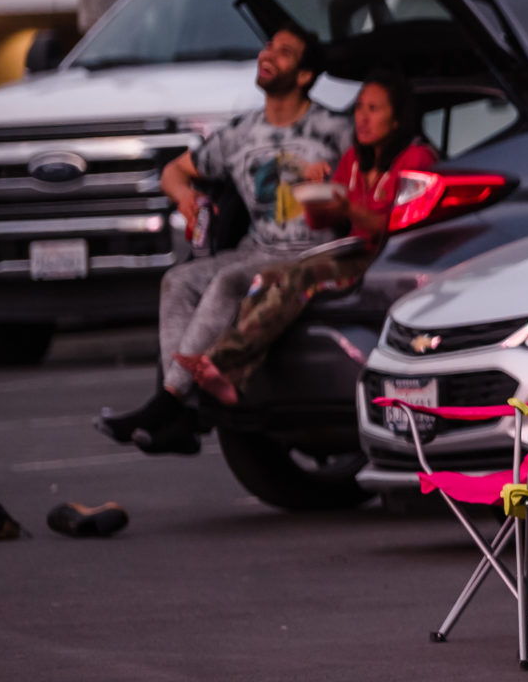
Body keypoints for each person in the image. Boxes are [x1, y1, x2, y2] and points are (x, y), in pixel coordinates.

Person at [96, 26, 351, 454]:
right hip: (260, 248)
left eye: (284, 52)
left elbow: (378, 173)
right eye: (268, 46)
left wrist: (338, 182)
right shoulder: (240, 134)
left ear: (305, 75)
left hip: (313, 253)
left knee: (229, 281)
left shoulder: (333, 129)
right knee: (178, 281)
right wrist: (185, 197)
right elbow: (173, 171)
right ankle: (179, 408)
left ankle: (171, 406)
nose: (268, 55)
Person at [178, 72, 438, 406]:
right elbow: (322, 221)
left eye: (374, 109)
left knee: (299, 276)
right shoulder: (355, 160)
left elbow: (388, 226)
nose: (361, 117)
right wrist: (315, 191)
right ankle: (232, 377)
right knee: (267, 278)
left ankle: (220, 360)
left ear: (398, 117)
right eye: (359, 108)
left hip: (386, 259)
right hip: (349, 252)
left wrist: (347, 206)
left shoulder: (416, 159)